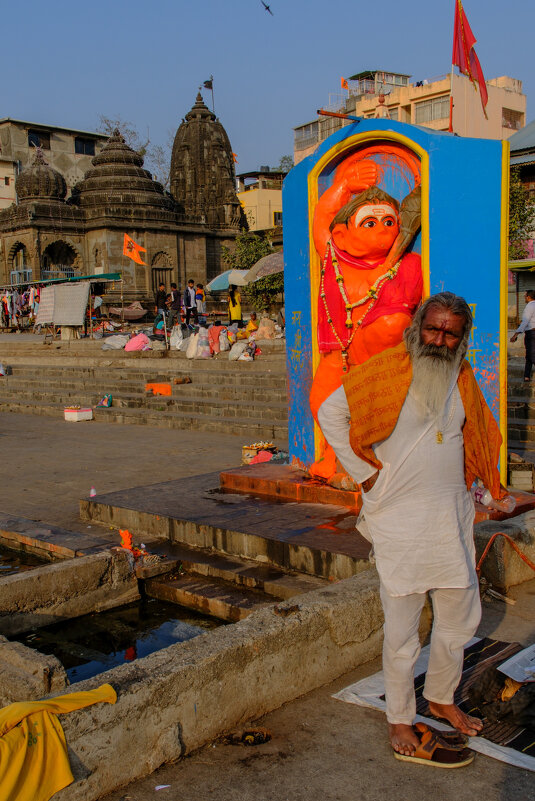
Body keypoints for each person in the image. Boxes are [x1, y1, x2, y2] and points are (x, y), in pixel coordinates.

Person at [318, 292, 505, 768]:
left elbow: (474, 437)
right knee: (402, 632)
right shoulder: (384, 370)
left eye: (451, 333)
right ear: (419, 325)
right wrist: (365, 473)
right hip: (399, 515)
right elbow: (330, 414)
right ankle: (400, 717)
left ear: (462, 338)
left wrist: (486, 492)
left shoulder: (461, 377)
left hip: (451, 515)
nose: (440, 340)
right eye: (433, 328)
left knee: (459, 619)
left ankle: (441, 697)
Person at [510, 289, 535, 382]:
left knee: (531, 355)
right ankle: (526, 376)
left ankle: (527, 376)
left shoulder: (529, 306)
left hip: (531, 333)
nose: (524, 298)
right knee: (529, 355)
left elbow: (525, 321)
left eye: (525, 296)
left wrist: (515, 334)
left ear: (528, 297)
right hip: (531, 333)